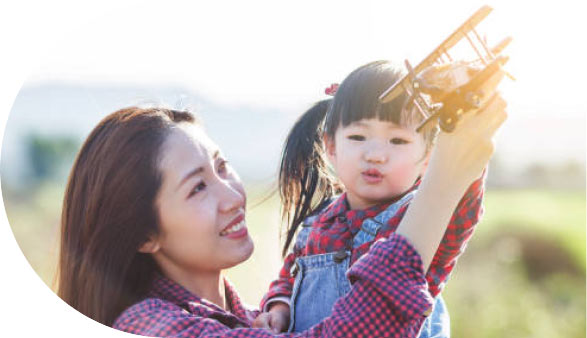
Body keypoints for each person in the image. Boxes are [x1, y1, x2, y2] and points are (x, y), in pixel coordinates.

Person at [57, 68, 505, 337]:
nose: (233, 195)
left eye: (223, 166)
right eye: (198, 187)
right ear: (143, 233)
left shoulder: (250, 319)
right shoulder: (148, 325)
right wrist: (443, 183)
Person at [256, 60, 502, 336]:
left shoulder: (421, 219)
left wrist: (465, 127)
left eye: (397, 141)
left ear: (429, 158)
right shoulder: (317, 224)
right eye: (358, 136)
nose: (375, 154)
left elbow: (461, 189)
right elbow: (289, 277)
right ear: (331, 146)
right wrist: (278, 308)